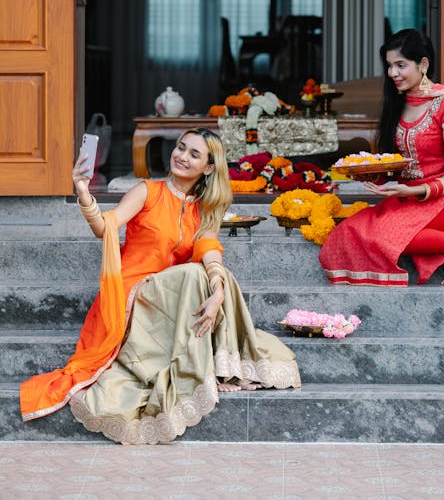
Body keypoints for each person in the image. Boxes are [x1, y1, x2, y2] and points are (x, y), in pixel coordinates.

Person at [20, 128, 300, 444]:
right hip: (134, 294)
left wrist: (219, 291)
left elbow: (208, 248)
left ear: (209, 168)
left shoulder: (204, 207)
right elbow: (105, 228)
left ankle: (224, 358)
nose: (182, 156)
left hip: (172, 302)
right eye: (180, 148)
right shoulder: (147, 191)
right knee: (195, 274)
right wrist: (83, 191)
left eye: (194, 154)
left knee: (211, 273)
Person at [319, 29, 444, 287]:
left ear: (423, 64)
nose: (393, 73)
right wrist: (373, 174)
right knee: (348, 231)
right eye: (390, 66)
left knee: (389, 236)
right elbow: (400, 163)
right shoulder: (399, 103)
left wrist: (415, 191)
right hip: (406, 198)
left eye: (400, 65)